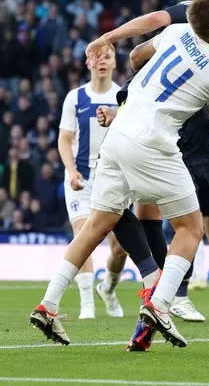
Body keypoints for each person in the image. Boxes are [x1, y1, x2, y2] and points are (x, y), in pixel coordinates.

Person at [30, 0, 209, 348]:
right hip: (153, 144)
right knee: (190, 227)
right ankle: (160, 304)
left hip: (118, 133)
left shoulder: (176, 32)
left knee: (97, 226)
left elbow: (139, 55)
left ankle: (47, 305)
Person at [56, 43, 127, 319]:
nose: (101, 61)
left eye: (107, 56)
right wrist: (71, 170)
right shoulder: (75, 98)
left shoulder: (123, 96)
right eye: (96, 57)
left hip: (114, 178)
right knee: (83, 235)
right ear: (88, 63)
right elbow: (64, 139)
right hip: (81, 178)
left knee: (120, 248)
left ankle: (108, 288)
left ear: (114, 63)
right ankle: (87, 304)